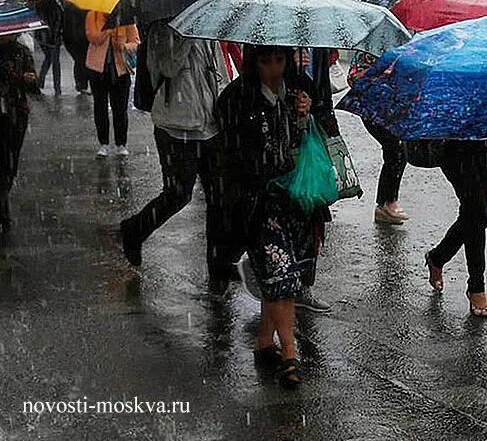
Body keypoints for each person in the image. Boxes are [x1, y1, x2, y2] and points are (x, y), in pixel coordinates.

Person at [215, 45, 329, 387]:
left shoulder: (297, 90)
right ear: (253, 62)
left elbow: (305, 141)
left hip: (295, 199)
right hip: (257, 202)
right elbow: (231, 153)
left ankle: (266, 342)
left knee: (283, 274)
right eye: (266, 61)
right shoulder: (235, 99)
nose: (274, 69)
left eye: (280, 60)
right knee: (282, 278)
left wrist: (303, 117)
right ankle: (290, 355)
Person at [120, 21, 231, 281]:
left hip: (209, 126)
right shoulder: (161, 32)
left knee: (219, 198)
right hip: (175, 128)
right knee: (178, 194)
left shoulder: (208, 27)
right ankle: (135, 229)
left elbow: (219, 73)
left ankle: (218, 267)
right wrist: (188, 35)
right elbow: (167, 68)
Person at [425, 141, 487, 317]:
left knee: (474, 213)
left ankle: (437, 257)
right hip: (453, 140)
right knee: (476, 212)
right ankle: (477, 286)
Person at [348, 51, 410, 225]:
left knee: (398, 151)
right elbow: (354, 77)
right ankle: (387, 203)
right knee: (394, 149)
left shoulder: (407, 46)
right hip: (373, 107)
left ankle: (386, 202)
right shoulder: (372, 48)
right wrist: (383, 74)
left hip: (395, 106)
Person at [85, 11, 139, 158]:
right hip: (98, 69)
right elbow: (92, 37)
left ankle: (121, 143)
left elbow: (135, 42)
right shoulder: (93, 15)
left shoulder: (126, 18)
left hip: (121, 69)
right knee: (100, 107)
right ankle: (103, 143)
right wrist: (107, 30)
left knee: (120, 108)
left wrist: (124, 46)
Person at [0, 34, 38, 234]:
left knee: (12, 159)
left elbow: (33, 86)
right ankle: (3, 207)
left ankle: (5, 190)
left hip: (16, 111)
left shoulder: (21, 52)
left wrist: (29, 79)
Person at [34, 0, 64, 95]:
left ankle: (40, 81)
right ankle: (57, 87)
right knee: (55, 62)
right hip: (53, 38)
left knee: (48, 59)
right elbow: (60, 22)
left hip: (42, 37)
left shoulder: (39, 6)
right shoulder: (56, 7)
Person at [63, 2, 91, 94]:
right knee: (82, 61)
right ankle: (82, 84)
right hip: (80, 37)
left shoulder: (68, 5)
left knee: (79, 61)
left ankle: (81, 84)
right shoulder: (84, 7)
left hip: (71, 37)